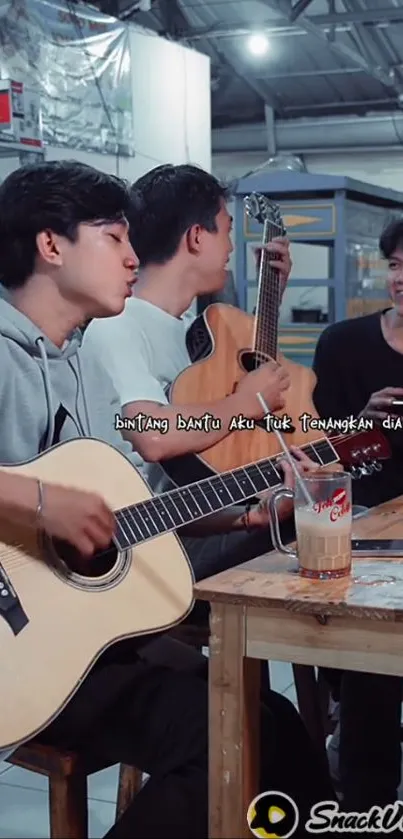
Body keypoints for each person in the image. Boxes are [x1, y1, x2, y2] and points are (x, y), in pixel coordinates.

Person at [0, 160, 335, 837]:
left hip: (88, 638)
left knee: (267, 718)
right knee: (219, 737)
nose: (132, 257)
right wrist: (37, 500)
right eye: (114, 238)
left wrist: (253, 504)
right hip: (23, 649)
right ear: (50, 245)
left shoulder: (79, 359)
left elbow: (131, 504)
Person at [83, 164, 295, 605]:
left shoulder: (190, 331)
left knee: (325, 521)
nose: (232, 246)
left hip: (193, 521)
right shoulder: (119, 325)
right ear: (197, 238)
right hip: (137, 551)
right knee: (311, 542)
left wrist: (253, 513)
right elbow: (154, 438)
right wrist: (249, 400)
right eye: (226, 230)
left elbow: (217, 441)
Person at [312, 217, 403, 813]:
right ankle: (365, 802)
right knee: (374, 649)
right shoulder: (343, 344)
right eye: (396, 265)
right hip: (361, 530)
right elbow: (312, 449)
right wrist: (361, 420)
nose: (401, 278)